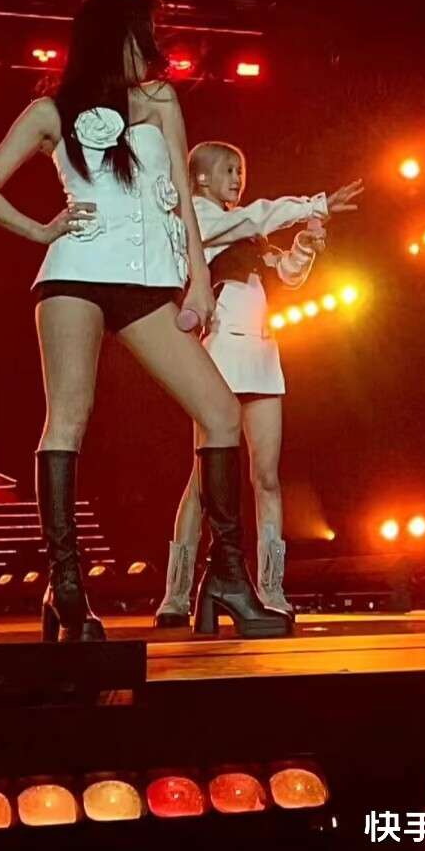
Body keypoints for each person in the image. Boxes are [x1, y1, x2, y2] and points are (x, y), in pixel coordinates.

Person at [0, 0, 290, 640]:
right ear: (114, 37)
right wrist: (41, 231)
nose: (153, 47)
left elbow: (181, 193)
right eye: (143, 34)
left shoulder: (159, 101)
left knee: (219, 412)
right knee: (68, 418)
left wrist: (199, 282)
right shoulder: (49, 112)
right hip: (74, 274)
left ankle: (226, 576)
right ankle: (66, 587)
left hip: (148, 284)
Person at [154, 142, 362, 626]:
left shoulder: (243, 225)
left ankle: (270, 587)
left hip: (263, 353)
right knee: (203, 483)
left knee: (266, 477)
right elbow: (256, 217)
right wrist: (314, 203)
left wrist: (304, 246)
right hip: (220, 355)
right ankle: (176, 594)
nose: (237, 178)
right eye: (229, 170)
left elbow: (284, 273)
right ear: (201, 178)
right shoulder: (198, 220)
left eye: (241, 170)